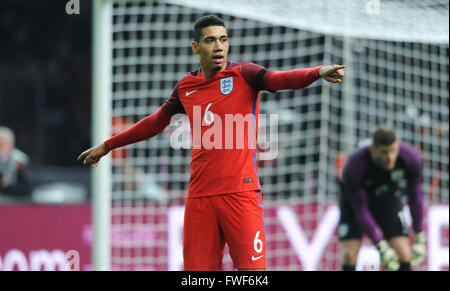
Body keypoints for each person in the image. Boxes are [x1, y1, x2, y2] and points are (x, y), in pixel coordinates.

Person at [78, 15, 345, 270]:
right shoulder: (186, 87)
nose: (219, 46)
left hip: (240, 195)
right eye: (210, 40)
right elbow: (155, 122)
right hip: (200, 198)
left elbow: (280, 79)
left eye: (223, 39)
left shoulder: (245, 74)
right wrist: (107, 145)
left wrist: (317, 72)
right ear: (195, 47)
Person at [338, 126, 426, 271]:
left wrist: (419, 235)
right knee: (349, 255)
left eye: (393, 151)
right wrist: (380, 244)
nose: (390, 157)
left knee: (403, 254)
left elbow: (415, 196)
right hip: (354, 202)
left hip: (387, 197)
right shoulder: (354, 167)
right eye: (384, 152)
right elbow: (361, 209)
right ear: (373, 150)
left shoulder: (411, 158)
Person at [0, 126, 31, 201]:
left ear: (10, 144)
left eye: (1, 143)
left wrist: (8, 186)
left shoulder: (20, 160)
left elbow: (26, 188)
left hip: (14, 202)